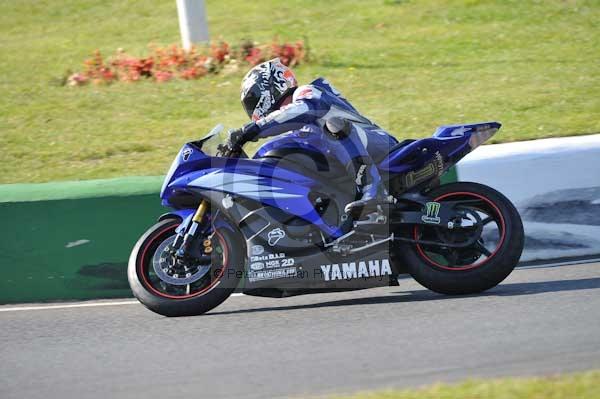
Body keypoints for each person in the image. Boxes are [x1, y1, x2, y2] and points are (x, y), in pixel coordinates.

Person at [227, 58, 398, 214]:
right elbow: (273, 150)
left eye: (253, 100)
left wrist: (251, 130)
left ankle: (374, 191)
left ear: (270, 86)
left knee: (332, 125)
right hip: (350, 162)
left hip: (380, 144)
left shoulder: (306, 92)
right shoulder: (293, 128)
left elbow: (305, 110)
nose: (252, 110)